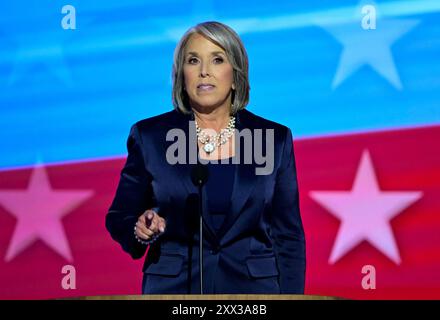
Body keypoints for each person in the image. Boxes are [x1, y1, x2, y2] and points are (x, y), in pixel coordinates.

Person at [105, 21, 306, 294]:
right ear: (181, 76)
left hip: (253, 294)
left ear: (236, 76)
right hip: (174, 292)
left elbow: (288, 235)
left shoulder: (273, 139)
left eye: (217, 59)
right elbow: (120, 216)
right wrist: (139, 230)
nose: (204, 72)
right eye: (193, 60)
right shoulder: (150, 137)